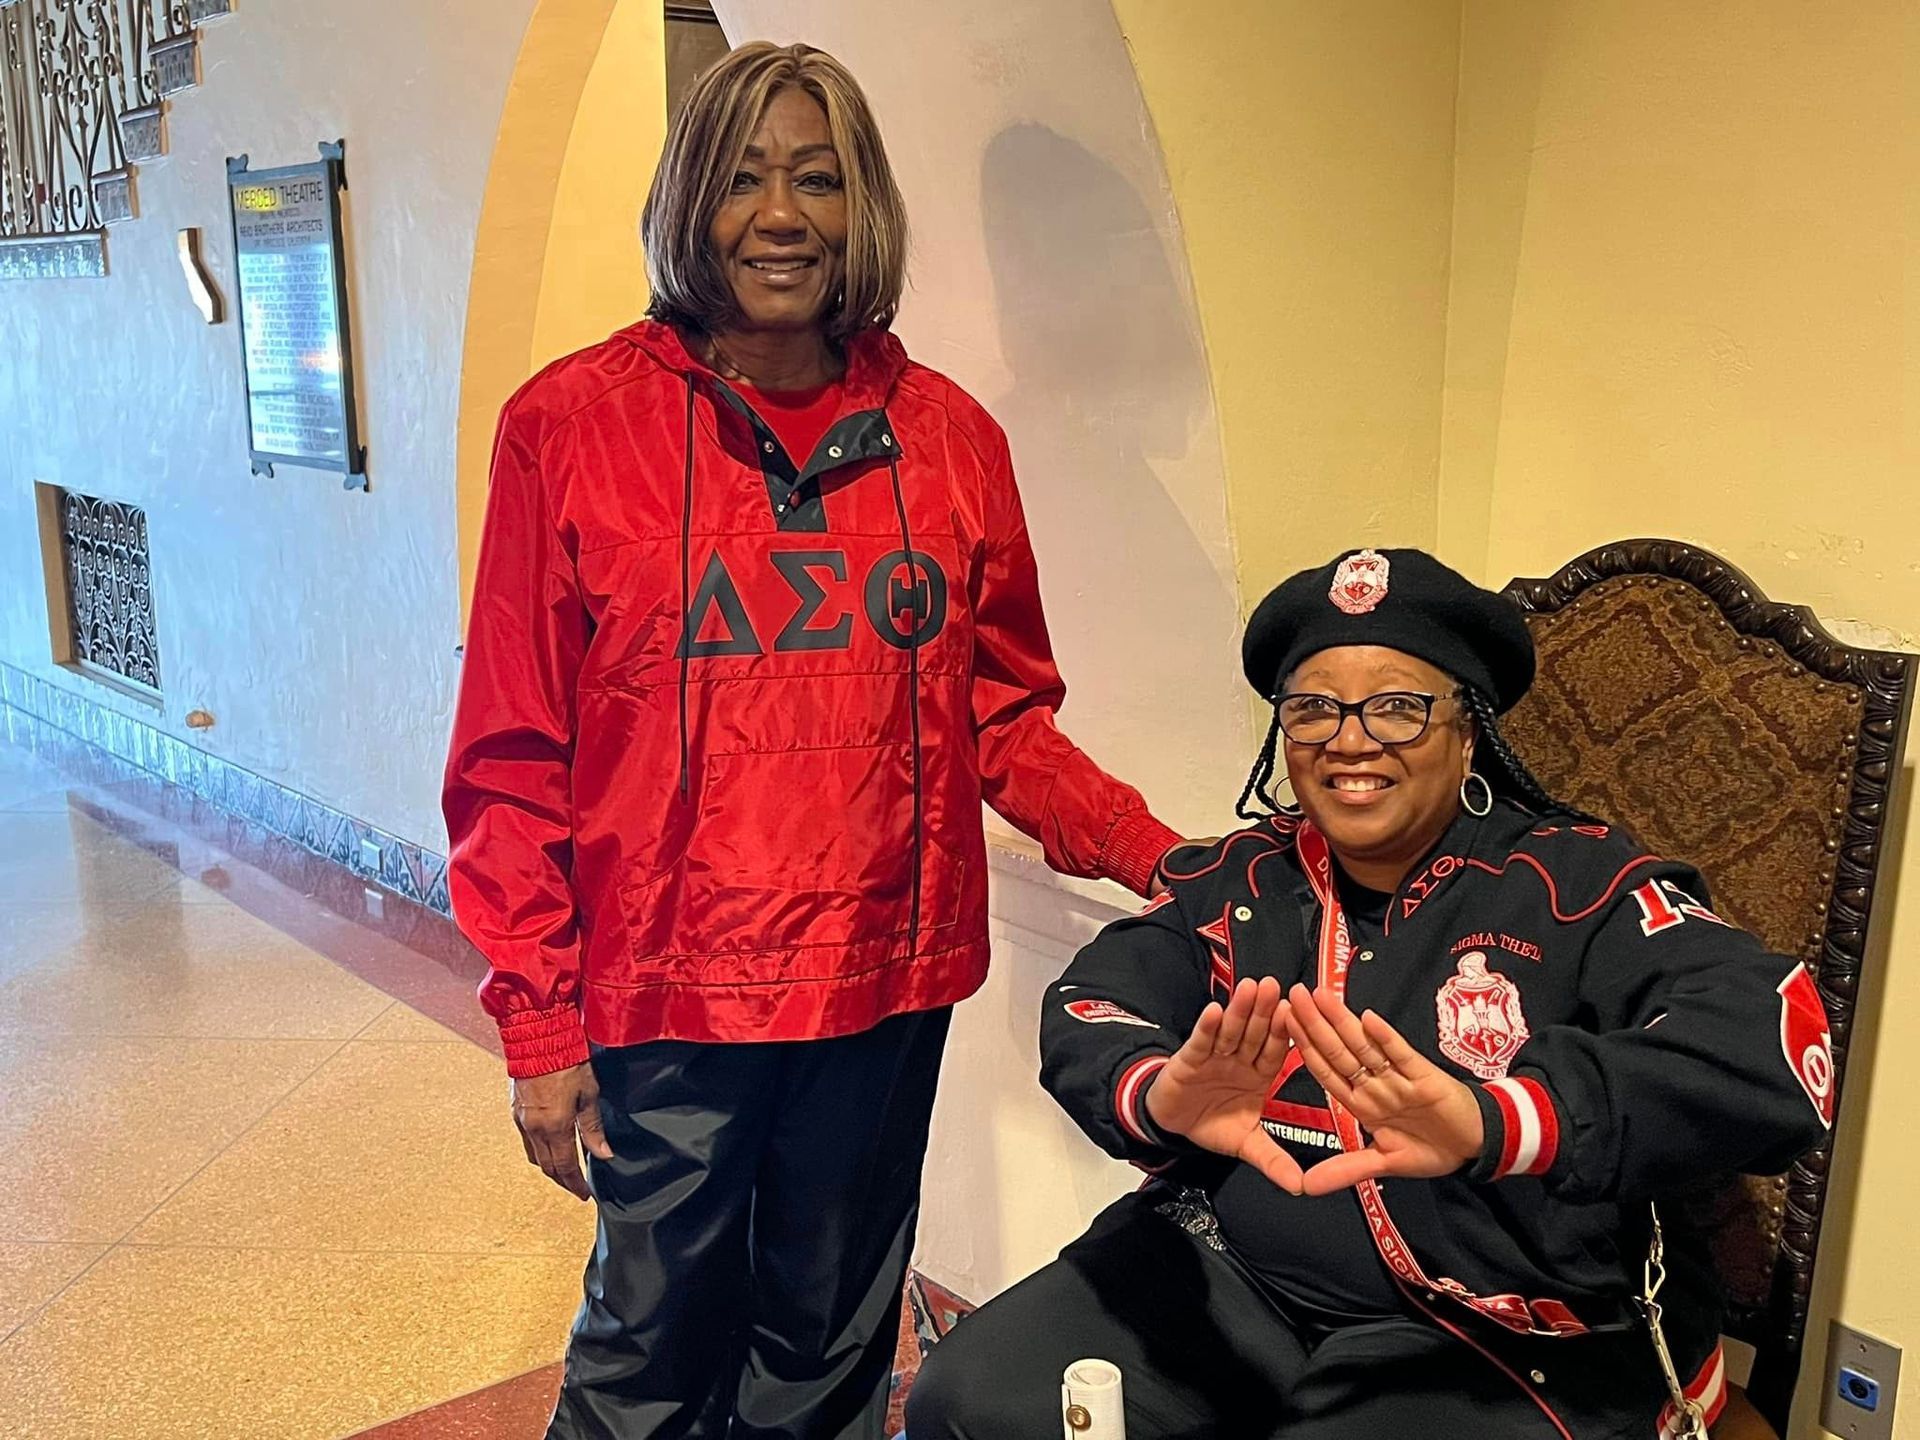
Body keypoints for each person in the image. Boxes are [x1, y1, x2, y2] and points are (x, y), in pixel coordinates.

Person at [441, 41, 1187, 1440]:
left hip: (880, 989)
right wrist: (538, 1016)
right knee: (648, 1355)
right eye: (742, 179)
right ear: (689, 202)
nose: (781, 215)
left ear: (865, 209)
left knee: (830, 1349)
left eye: (819, 179)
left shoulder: (951, 442)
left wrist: (1165, 857)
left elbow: (1001, 712)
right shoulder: (570, 428)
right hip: (672, 995)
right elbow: (511, 751)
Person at [906, 548, 1834, 1439]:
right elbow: (1089, 1000)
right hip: (1232, 1268)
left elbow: (1773, 1047)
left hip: (1492, 1326)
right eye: (1314, 708)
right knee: (972, 1400)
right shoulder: (1241, 876)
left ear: (1468, 730)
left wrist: (1503, 1121)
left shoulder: (1577, 883)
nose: (1350, 740)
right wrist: (1157, 1092)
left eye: (1398, 708)